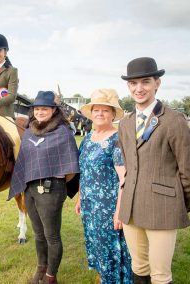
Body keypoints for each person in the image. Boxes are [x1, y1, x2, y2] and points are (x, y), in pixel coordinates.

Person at [118, 57, 190, 284]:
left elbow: (187, 169)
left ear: (157, 83)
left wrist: (180, 203)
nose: (139, 88)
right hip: (131, 207)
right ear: (128, 86)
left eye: (145, 82)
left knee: (160, 275)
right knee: (138, 268)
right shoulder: (125, 123)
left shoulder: (174, 120)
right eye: (133, 83)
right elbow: (129, 166)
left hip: (163, 208)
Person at [8, 91, 80, 284]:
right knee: (38, 234)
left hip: (52, 189)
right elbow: (25, 159)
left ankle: (51, 276)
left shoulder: (63, 132)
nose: (40, 112)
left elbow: (72, 165)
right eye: (37, 109)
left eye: (44, 109)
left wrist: (56, 184)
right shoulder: (30, 130)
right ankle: (41, 268)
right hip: (30, 188)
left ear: (53, 110)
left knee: (52, 236)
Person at [75, 89, 132, 283]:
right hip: (90, 205)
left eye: (105, 110)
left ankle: (112, 279)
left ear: (113, 114)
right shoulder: (88, 138)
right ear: (91, 113)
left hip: (108, 207)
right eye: (96, 109)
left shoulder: (116, 140)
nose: (100, 114)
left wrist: (119, 212)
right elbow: (83, 170)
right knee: (95, 243)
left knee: (109, 247)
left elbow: (124, 178)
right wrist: (80, 196)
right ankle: (103, 276)